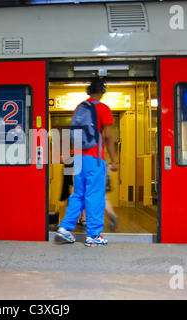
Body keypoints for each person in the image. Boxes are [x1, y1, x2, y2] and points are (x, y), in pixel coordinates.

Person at [57, 78, 118, 246]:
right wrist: (113, 161)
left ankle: (65, 227)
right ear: (102, 92)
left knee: (78, 194)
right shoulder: (102, 108)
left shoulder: (79, 107)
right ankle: (94, 235)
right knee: (95, 195)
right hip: (95, 159)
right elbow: (108, 137)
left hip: (78, 159)